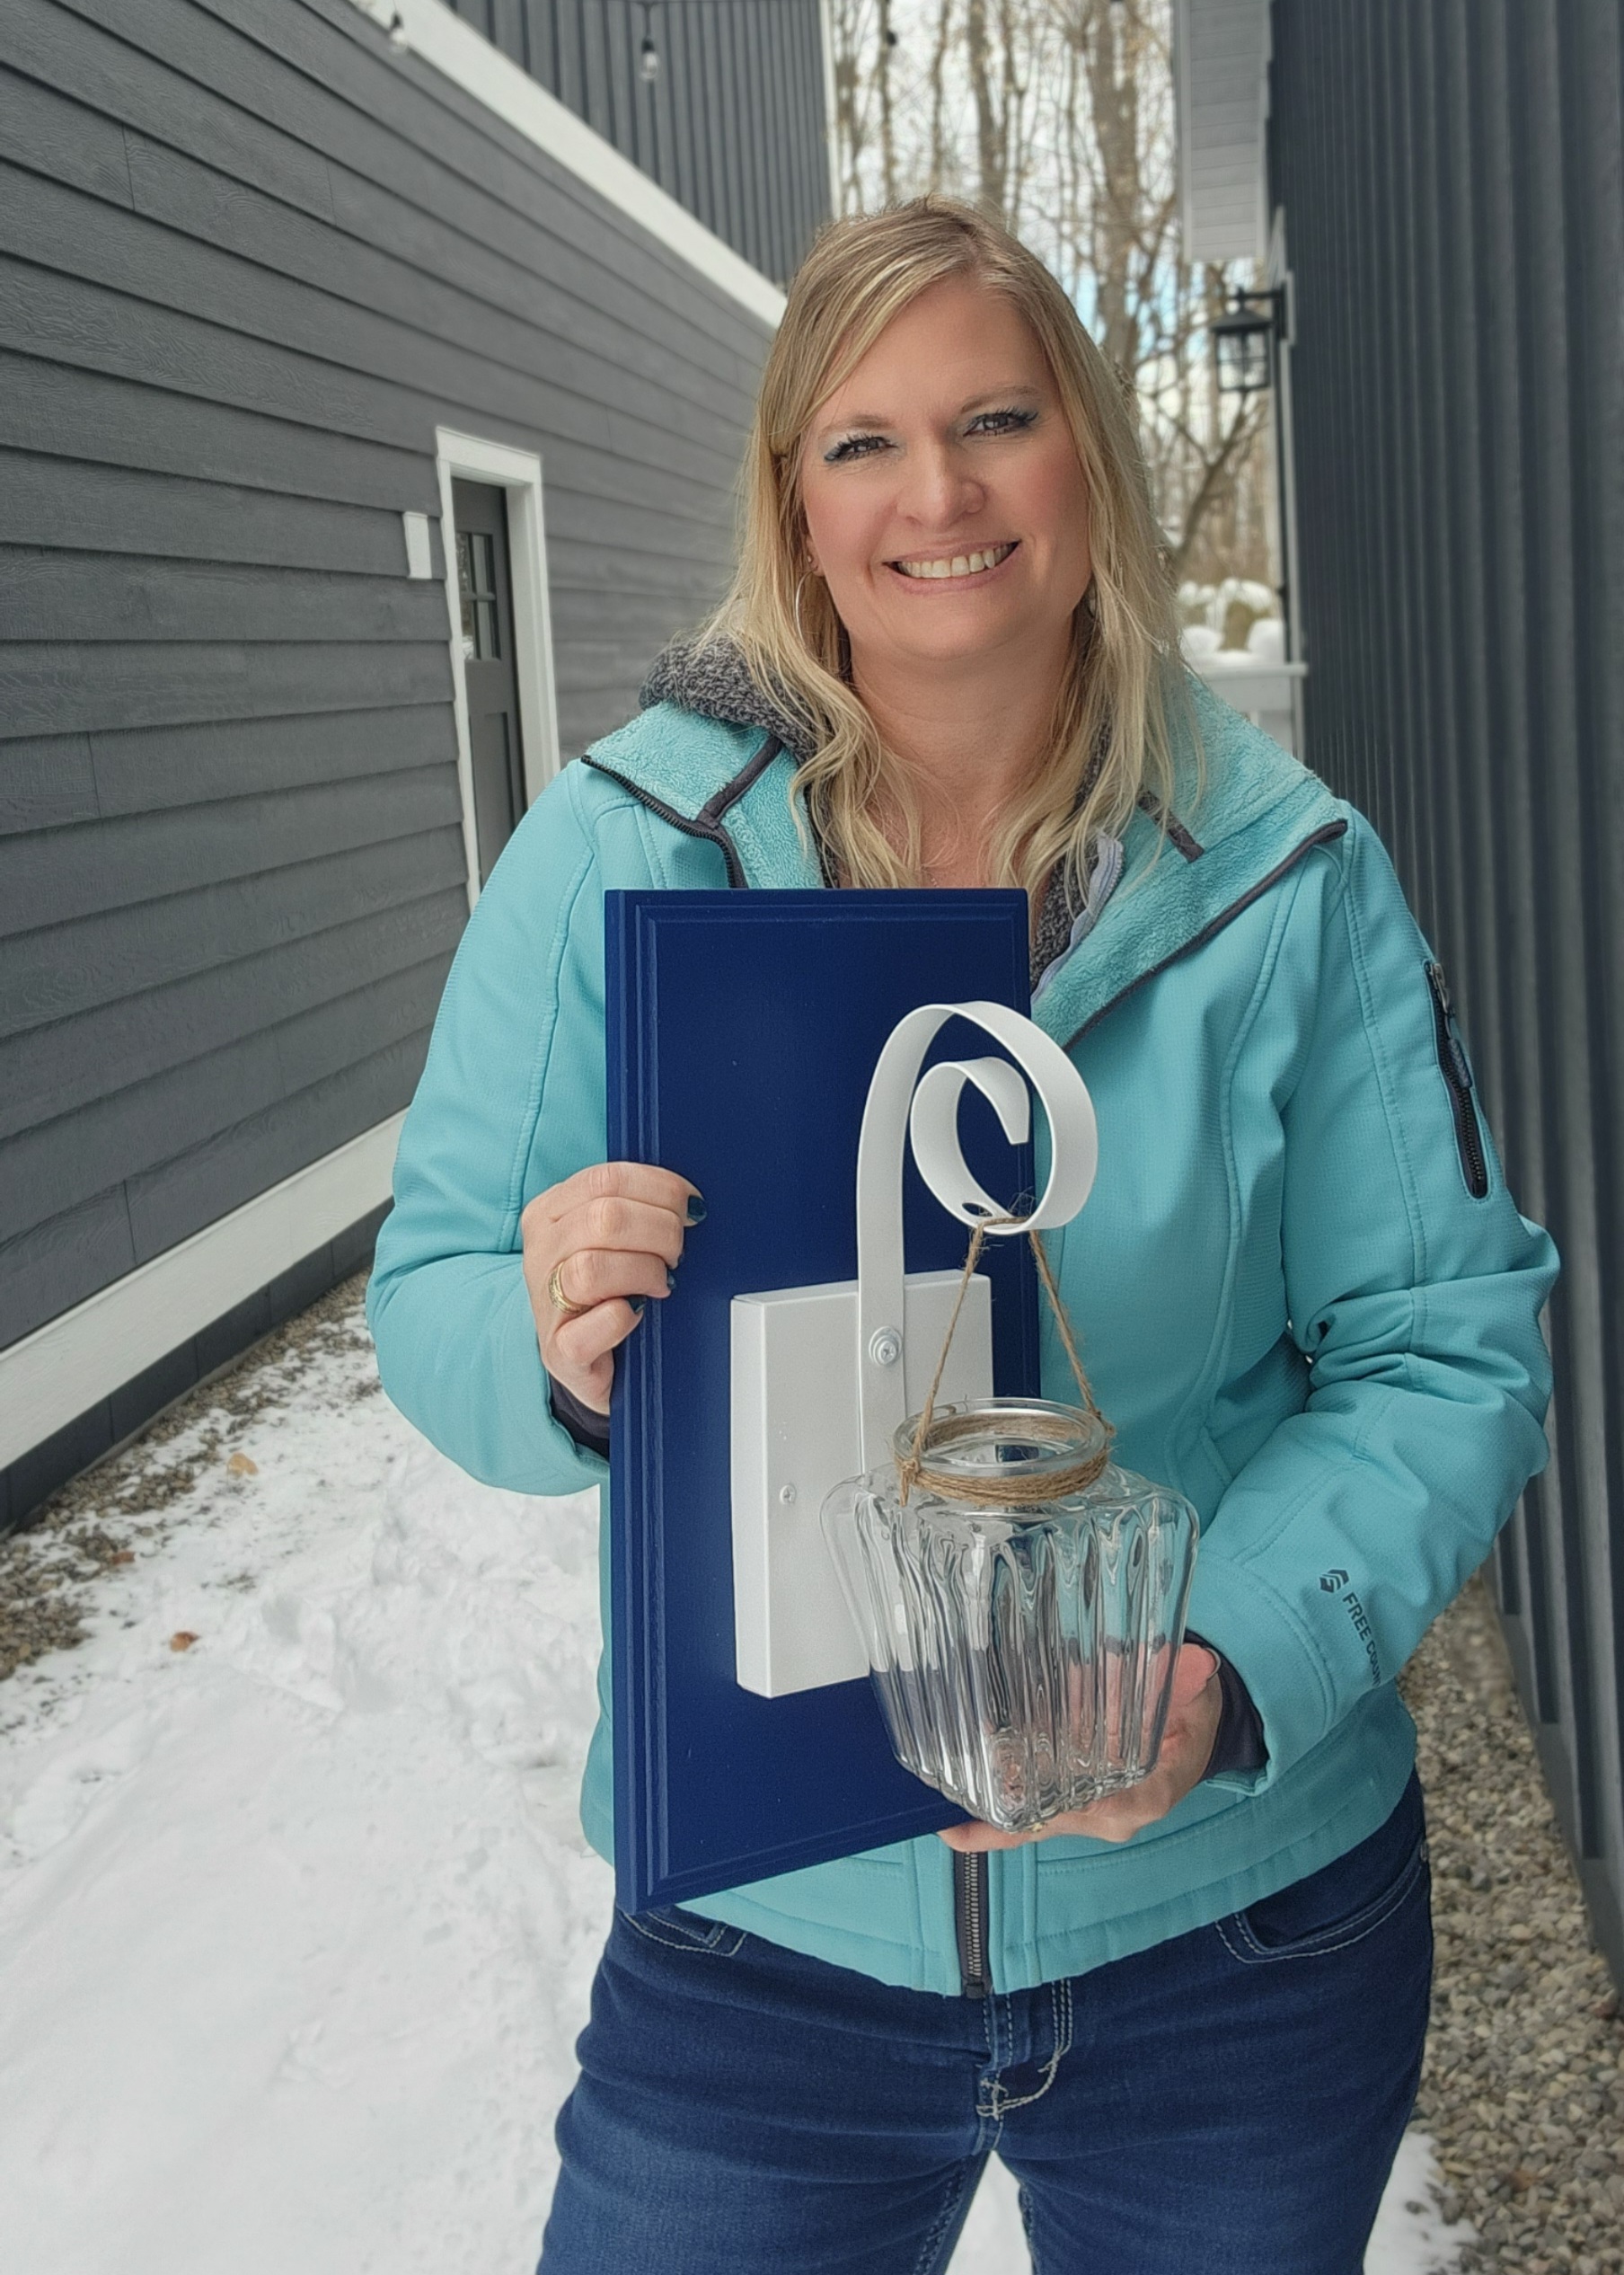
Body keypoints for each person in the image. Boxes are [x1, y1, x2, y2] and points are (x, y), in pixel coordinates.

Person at [366, 199, 1558, 2273]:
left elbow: (1440, 1345)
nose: (937, 494)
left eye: (995, 418)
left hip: (1233, 1936)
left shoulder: (1286, 877)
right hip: (767, 1939)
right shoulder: (626, 852)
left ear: (1083, 448)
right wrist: (551, 1343)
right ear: (795, 503)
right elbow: (438, 1283)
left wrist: (1228, 1667)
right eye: (865, 441)